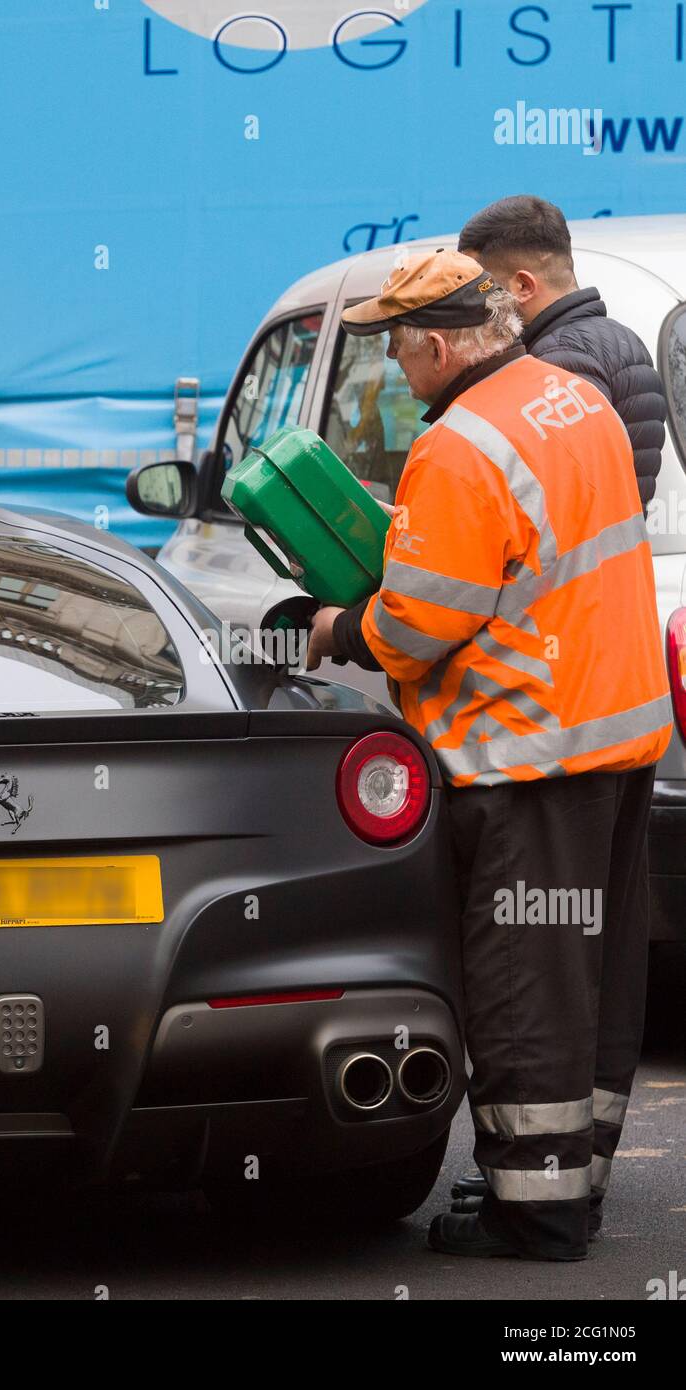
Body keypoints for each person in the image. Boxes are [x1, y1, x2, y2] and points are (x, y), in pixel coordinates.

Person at [306, 248, 672, 1261]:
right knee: (592, 985)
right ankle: (573, 1182)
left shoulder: (456, 446)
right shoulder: (570, 399)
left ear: (432, 344)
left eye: (394, 354)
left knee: (522, 986)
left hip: (523, 756)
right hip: (610, 741)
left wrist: (340, 627)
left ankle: (534, 1208)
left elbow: (422, 622)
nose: (393, 374)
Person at [458, 194, 665, 513]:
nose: (478, 304)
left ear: (523, 286)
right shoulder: (623, 340)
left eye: (482, 288)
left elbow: (551, 502)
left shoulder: (554, 360)